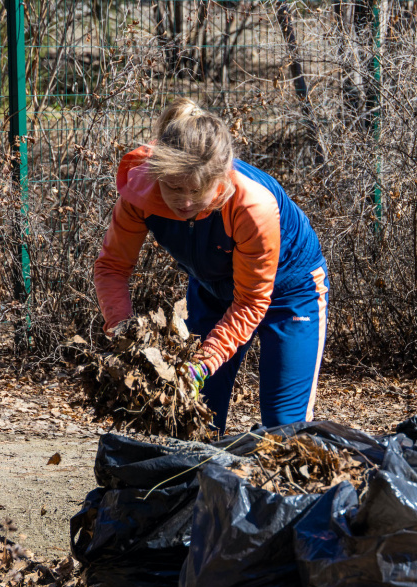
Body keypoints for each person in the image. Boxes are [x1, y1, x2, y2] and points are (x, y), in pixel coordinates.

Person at [93, 99, 329, 434]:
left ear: (219, 181)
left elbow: (250, 301)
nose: (184, 202)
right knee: (194, 417)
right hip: (212, 289)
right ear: (159, 172)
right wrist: (124, 337)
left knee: (284, 428)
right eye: (173, 187)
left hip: (290, 291)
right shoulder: (139, 191)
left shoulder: (250, 205)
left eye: (196, 191)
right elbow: (112, 268)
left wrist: (202, 364)